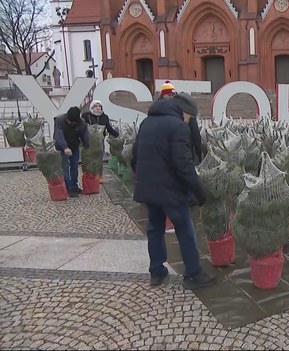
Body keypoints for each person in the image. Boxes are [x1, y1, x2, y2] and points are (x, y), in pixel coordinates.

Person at [131, 99, 216, 289]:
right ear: (184, 112)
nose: (188, 121)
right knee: (185, 230)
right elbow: (183, 164)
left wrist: (143, 179)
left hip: (149, 189)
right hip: (171, 190)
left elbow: (134, 155)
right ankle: (193, 273)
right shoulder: (178, 126)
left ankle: (157, 271)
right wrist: (198, 191)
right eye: (189, 117)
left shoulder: (147, 122)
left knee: (155, 229)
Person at [53, 106, 90, 197]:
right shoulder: (59, 120)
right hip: (61, 148)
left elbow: (84, 135)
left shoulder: (81, 123)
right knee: (64, 167)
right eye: (69, 121)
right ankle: (68, 188)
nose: (70, 123)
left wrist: (87, 146)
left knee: (74, 166)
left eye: (72, 122)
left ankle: (74, 185)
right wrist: (65, 147)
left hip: (74, 145)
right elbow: (58, 135)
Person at [82, 100, 120, 183]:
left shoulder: (104, 117)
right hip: (88, 142)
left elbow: (109, 128)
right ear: (92, 107)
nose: (98, 108)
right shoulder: (86, 116)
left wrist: (118, 135)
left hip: (99, 142)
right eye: (96, 106)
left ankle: (99, 175)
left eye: (99, 106)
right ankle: (89, 175)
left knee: (99, 159)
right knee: (88, 159)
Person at [173, 92, 203, 164]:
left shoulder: (168, 115)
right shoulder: (189, 116)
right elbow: (196, 137)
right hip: (186, 155)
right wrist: (199, 155)